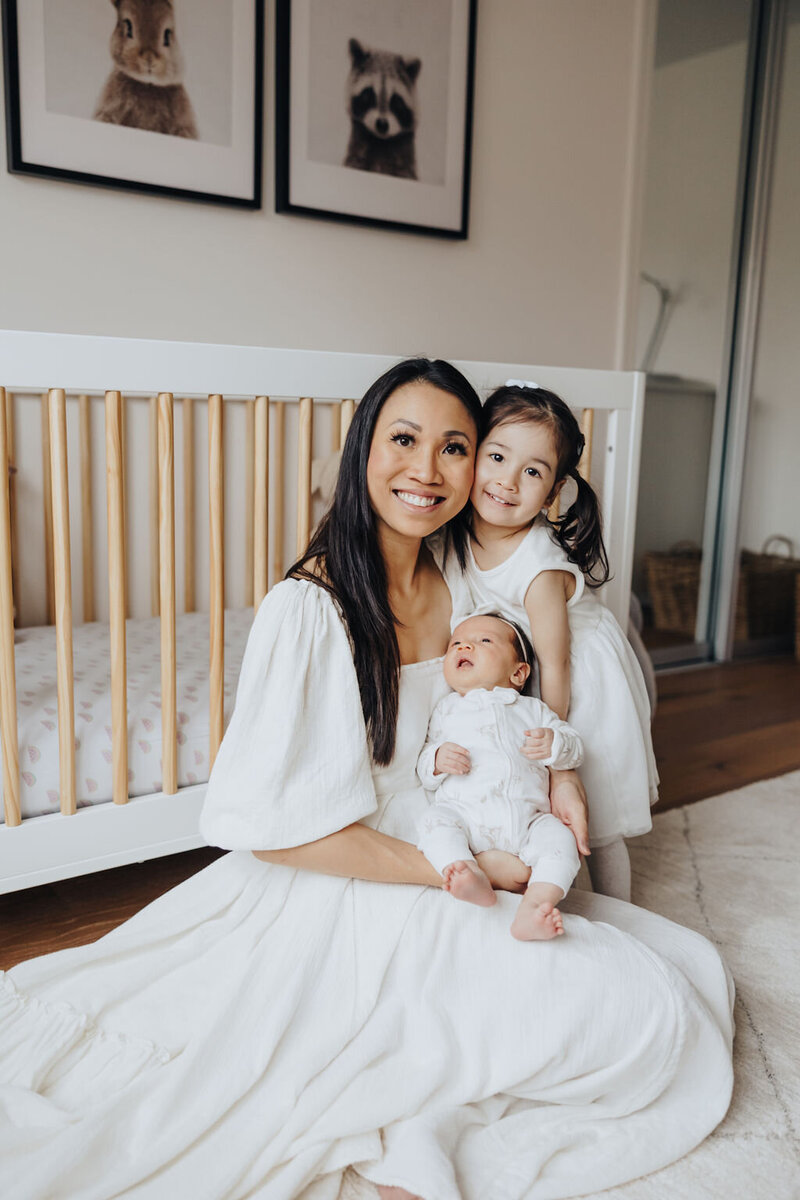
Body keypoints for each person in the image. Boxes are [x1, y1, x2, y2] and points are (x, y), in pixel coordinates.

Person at [0, 359, 732, 1200]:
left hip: (447, 824)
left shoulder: (457, 576)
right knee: (631, 1018)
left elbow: (523, 687)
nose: (427, 470)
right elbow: (275, 832)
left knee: (669, 994)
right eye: (404, 440)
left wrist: (552, 785)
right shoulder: (310, 609)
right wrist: (464, 870)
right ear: (363, 452)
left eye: (455, 447)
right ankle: (415, 1105)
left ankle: (430, 1100)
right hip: (360, 864)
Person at [447, 381, 659, 902]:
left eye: (533, 471)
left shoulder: (539, 563)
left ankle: (621, 914)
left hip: (578, 677)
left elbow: (556, 666)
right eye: (496, 457)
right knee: (522, 802)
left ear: (555, 489)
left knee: (597, 811)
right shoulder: (457, 533)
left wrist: (553, 757)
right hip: (527, 667)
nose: (507, 481)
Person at [416, 612, 582, 940]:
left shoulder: (533, 709)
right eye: (456, 644)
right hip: (465, 815)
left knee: (561, 840)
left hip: (531, 819)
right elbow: (423, 763)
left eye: (483, 641)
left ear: (518, 672)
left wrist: (555, 743)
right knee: (433, 822)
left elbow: (574, 749)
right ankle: (466, 872)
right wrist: (436, 759)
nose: (464, 645)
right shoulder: (446, 710)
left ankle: (536, 906)